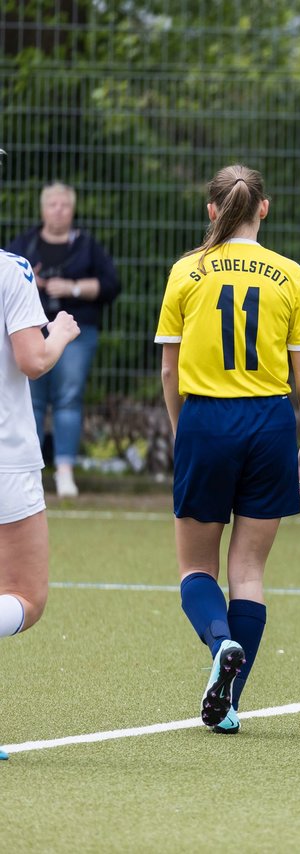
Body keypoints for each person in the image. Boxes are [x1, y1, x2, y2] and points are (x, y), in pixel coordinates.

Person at [154, 164, 300, 735]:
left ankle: (219, 644)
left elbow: (170, 368)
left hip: (207, 417)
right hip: (270, 422)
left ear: (211, 211)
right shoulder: (289, 274)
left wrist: (185, 431)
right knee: (247, 571)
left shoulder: (186, 272)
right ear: (264, 209)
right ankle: (228, 702)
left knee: (194, 568)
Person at [1, 243, 81, 761]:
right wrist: (62, 332)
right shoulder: (12, 270)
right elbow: (33, 360)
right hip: (6, 457)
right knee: (26, 598)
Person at [5, 181, 121, 499]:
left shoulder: (87, 246)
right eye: (53, 204)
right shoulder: (23, 247)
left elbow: (111, 285)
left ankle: (65, 471)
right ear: (43, 209)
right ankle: (30, 469)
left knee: (68, 399)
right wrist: (35, 285)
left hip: (75, 331)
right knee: (31, 400)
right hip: (28, 330)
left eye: (65, 205)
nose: (59, 210)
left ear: (73, 209)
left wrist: (71, 288)